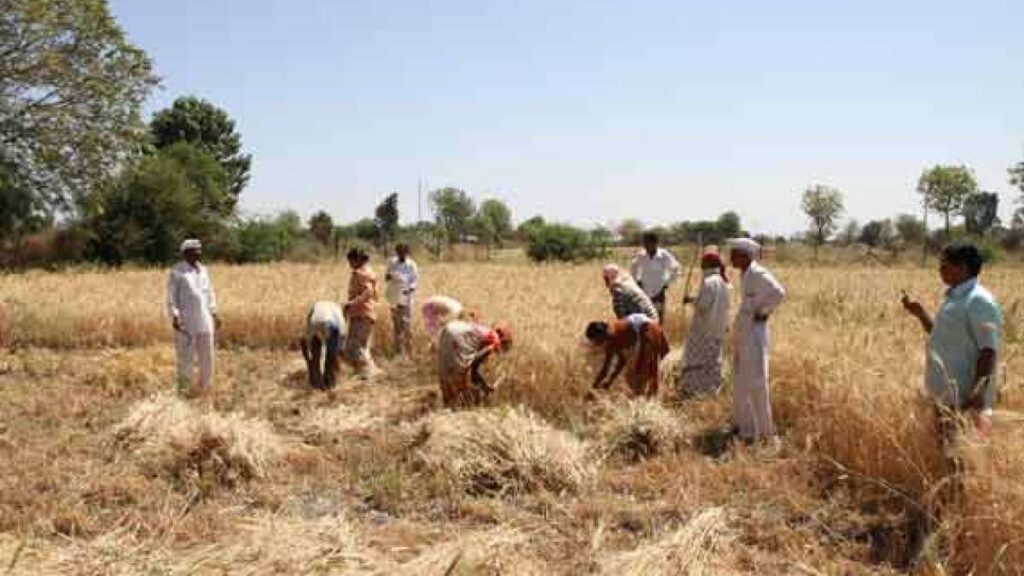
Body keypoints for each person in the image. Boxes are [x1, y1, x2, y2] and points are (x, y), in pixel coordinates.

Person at [901, 242, 1003, 437]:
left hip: (963, 398)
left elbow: (988, 350)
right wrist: (921, 314)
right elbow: (940, 335)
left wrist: (977, 394)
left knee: (960, 455)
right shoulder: (955, 299)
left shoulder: (978, 300)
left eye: (944, 264)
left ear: (962, 267)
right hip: (945, 394)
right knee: (947, 452)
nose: (940, 269)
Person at [728, 237, 785, 442]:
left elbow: (778, 293)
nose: (731, 258)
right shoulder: (745, 275)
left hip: (754, 334)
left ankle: (765, 433)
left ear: (746, 255)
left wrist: (764, 312)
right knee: (742, 382)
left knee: (757, 382)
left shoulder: (758, 273)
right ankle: (747, 429)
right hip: (744, 333)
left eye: (734, 254)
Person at [167, 238, 220, 394]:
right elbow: (171, 296)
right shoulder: (177, 271)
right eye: (194, 251)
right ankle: (185, 389)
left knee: (207, 355)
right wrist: (175, 316)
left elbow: (210, 293)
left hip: (205, 319)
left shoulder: (203, 270)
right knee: (186, 357)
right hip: (186, 320)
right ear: (185, 253)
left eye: (199, 250)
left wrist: (215, 312)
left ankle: (206, 387)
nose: (198, 253)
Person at [679, 249, 732, 398]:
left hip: (704, 330)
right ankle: (712, 390)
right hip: (718, 328)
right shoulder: (723, 282)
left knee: (696, 360)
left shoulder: (709, 281)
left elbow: (703, 305)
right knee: (713, 361)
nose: (701, 265)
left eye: (703, 262)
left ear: (708, 263)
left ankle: (694, 391)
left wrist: (690, 300)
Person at [585, 313, 669, 397]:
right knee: (645, 369)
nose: (596, 343)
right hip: (644, 330)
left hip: (648, 328)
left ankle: (647, 399)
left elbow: (607, 369)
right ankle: (647, 398)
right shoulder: (610, 338)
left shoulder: (614, 335)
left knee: (643, 370)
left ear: (601, 335)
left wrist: (594, 388)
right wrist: (608, 382)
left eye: (596, 340)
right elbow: (619, 362)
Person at [436, 319, 512, 408]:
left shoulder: (484, 331)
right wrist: (485, 387)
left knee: (446, 372)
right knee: (458, 376)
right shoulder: (494, 340)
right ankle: (454, 408)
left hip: (448, 329)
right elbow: (473, 363)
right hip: (458, 336)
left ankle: (447, 406)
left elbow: (474, 370)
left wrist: (484, 385)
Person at [343, 247, 382, 379]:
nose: (350, 265)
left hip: (363, 313)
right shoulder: (365, 272)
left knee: (355, 346)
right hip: (362, 313)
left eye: (351, 261)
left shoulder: (362, 273)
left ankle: (369, 373)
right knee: (361, 346)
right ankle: (366, 372)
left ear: (357, 259)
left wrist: (352, 303)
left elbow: (368, 292)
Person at [630, 232, 682, 322]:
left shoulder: (663, 255)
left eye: (647, 243)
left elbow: (676, 269)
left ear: (655, 243)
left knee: (658, 319)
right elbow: (633, 267)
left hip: (658, 293)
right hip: (644, 293)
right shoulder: (641, 255)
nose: (645, 246)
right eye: (644, 243)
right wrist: (637, 281)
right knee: (644, 318)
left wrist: (666, 283)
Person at [300, 301, 346, 390]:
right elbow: (306, 340)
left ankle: (322, 381)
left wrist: (308, 358)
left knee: (326, 353)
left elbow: (341, 338)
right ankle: (323, 382)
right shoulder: (315, 322)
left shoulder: (337, 321)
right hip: (325, 321)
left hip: (324, 322)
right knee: (327, 354)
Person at [385, 243, 419, 356]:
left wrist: (409, 290)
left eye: (403, 253)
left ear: (407, 253)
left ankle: (410, 352)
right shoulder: (392, 262)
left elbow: (414, 281)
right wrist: (392, 276)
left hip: (406, 298)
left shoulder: (411, 265)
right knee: (396, 326)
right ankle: (398, 352)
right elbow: (386, 277)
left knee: (407, 326)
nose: (401, 255)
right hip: (394, 297)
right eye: (399, 252)